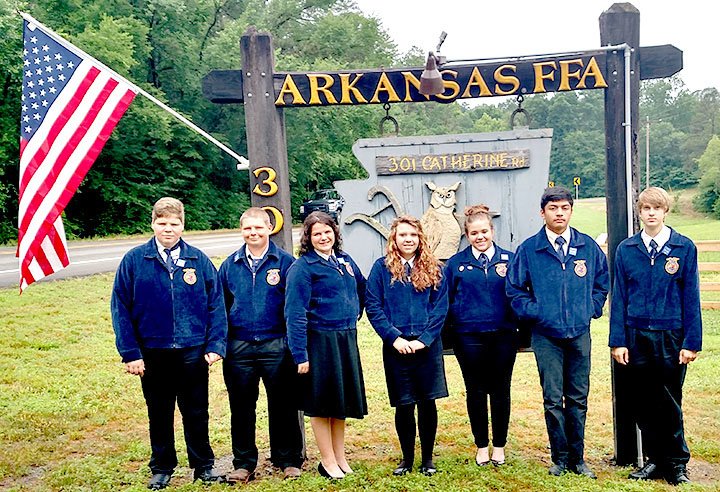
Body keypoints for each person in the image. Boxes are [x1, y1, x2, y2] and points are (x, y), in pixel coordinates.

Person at [110, 197, 227, 490]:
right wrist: (131, 353)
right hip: (153, 352)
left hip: (192, 350)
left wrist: (215, 345)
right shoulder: (135, 260)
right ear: (152, 224)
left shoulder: (198, 260)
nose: (168, 229)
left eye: (174, 224)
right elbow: (120, 308)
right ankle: (162, 467)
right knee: (159, 412)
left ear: (182, 225)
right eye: (162, 223)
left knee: (196, 411)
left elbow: (216, 305)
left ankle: (203, 466)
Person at [506, 186, 608, 479]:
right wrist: (537, 313)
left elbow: (602, 282)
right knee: (553, 399)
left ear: (571, 211)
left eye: (564, 208)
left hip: (578, 334)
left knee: (578, 398)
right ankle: (559, 458)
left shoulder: (587, 246)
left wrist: (590, 308)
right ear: (543, 213)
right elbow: (514, 290)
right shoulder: (529, 249)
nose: (559, 213)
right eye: (553, 208)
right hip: (546, 336)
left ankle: (578, 458)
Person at [609, 187, 702, 486]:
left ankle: (676, 463)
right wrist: (618, 340)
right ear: (639, 212)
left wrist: (691, 342)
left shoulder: (683, 247)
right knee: (643, 402)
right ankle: (654, 460)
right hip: (637, 336)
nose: (651, 213)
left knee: (670, 401)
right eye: (646, 208)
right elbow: (620, 297)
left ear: (665, 212)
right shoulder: (627, 249)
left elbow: (691, 297)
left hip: (670, 336)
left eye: (656, 208)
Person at [218, 207, 303, 483]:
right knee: (241, 407)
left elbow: (294, 307)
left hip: (276, 344)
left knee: (284, 404)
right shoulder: (230, 265)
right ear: (242, 230)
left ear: (269, 229)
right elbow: (221, 307)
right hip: (240, 347)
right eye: (248, 228)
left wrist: (291, 343)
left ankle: (288, 459)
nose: (253, 233)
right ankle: (243, 463)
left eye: (258, 227)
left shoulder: (286, 263)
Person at [285, 211, 368, 480]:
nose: (323, 237)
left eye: (327, 231)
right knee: (322, 403)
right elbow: (294, 313)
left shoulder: (344, 261)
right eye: (316, 233)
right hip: (318, 341)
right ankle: (327, 460)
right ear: (308, 238)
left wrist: (354, 311)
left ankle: (340, 456)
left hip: (345, 339)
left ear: (335, 232)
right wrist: (300, 354)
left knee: (339, 402)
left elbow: (362, 288)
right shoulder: (303, 267)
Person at [365, 215, 449, 477]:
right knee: (404, 404)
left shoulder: (433, 268)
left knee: (427, 403)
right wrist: (394, 338)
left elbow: (440, 307)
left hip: (427, 346)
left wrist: (425, 339)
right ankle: (407, 459)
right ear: (394, 238)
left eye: (413, 235)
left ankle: (427, 459)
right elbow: (374, 306)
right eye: (403, 235)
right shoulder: (382, 268)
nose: (408, 239)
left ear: (420, 237)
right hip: (396, 346)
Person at [444, 205, 517, 467]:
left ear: (492, 231)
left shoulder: (510, 260)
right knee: (475, 391)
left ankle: (499, 446)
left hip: (503, 336)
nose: (480, 237)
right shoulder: (455, 264)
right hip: (468, 337)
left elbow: (520, 295)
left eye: (484, 231)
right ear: (467, 234)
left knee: (500, 391)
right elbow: (446, 300)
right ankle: (482, 446)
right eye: (474, 232)